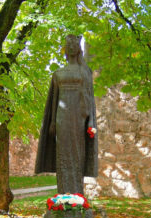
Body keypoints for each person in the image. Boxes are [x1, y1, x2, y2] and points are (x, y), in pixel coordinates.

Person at [35, 34, 98, 195]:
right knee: (62, 155)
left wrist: (90, 121)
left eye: (74, 45)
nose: (71, 48)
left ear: (79, 49)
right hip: (61, 118)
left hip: (79, 117)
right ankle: (64, 195)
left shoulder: (85, 72)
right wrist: (53, 122)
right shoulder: (57, 74)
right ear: (65, 49)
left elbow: (89, 98)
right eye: (68, 45)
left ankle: (77, 196)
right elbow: (55, 99)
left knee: (77, 155)